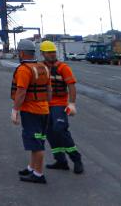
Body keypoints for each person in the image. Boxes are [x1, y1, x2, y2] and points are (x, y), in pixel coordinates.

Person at [11, 39, 52, 184]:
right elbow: (49, 92)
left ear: (22, 53)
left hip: (31, 112)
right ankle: (32, 168)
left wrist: (15, 110)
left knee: (37, 144)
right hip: (43, 110)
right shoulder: (43, 67)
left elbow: (21, 92)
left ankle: (39, 174)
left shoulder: (24, 69)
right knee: (37, 141)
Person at [40, 40, 84, 173]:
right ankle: (60, 161)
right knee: (50, 133)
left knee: (60, 130)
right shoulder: (40, 67)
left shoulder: (63, 67)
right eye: (49, 52)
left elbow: (71, 86)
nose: (52, 54)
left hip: (59, 104)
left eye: (53, 52)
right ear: (43, 53)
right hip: (44, 106)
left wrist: (72, 103)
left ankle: (76, 159)